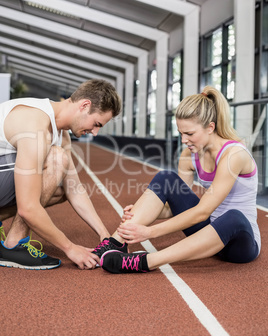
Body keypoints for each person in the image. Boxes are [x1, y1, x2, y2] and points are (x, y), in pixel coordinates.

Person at [95, 86, 261, 273]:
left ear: (210, 127)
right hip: (208, 235)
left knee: (234, 217)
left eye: (189, 134)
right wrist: (142, 213)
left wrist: (150, 232)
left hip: (239, 244)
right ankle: (116, 242)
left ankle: (144, 262)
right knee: (166, 177)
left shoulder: (233, 155)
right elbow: (173, 208)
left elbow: (202, 212)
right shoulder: (188, 155)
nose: (183, 140)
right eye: (181, 133)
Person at [0, 79, 121, 270]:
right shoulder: (35, 124)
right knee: (57, 159)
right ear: (84, 105)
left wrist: (105, 235)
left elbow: (74, 188)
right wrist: (70, 248)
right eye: (97, 123)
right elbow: (27, 207)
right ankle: (14, 245)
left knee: (61, 190)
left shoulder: (59, 132)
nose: (95, 132)